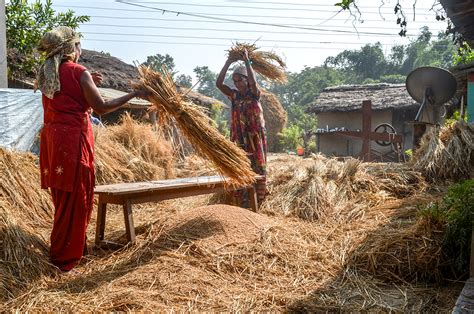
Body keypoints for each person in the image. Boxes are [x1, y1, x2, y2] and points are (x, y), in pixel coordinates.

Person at [36, 26, 148, 272]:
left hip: (54, 142)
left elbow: (68, 94)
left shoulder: (47, 72)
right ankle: (65, 261)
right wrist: (133, 94)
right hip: (74, 142)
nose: (80, 49)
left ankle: (71, 251)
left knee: (63, 199)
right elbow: (102, 107)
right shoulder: (78, 71)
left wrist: (88, 82)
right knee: (78, 199)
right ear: (71, 48)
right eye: (78, 45)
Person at [216, 49, 267, 207]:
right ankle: (242, 200)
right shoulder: (234, 95)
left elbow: (253, 82)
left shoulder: (254, 94)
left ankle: (258, 200)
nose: (238, 84)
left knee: (256, 167)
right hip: (238, 138)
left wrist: (246, 61)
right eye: (235, 81)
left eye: (240, 80)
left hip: (254, 139)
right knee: (240, 166)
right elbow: (219, 84)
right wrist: (228, 62)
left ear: (246, 80)